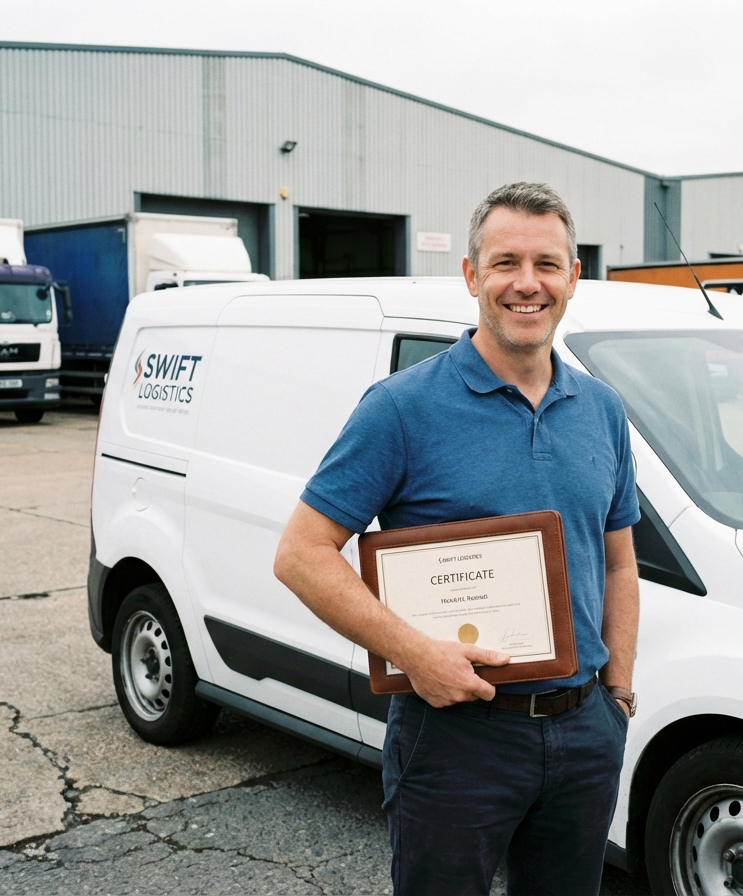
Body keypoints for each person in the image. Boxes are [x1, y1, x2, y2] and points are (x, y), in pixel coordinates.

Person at [274, 182, 640, 896]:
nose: (526, 284)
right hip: (455, 735)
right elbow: (301, 554)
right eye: (505, 263)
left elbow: (620, 563)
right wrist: (417, 654)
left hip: (583, 731)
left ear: (573, 280)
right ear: (472, 276)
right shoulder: (402, 408)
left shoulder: (601, 409)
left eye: (547, 265)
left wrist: (617, 697)